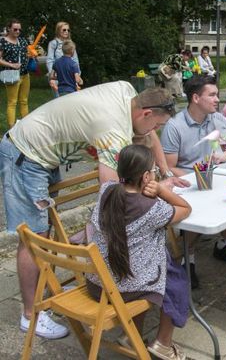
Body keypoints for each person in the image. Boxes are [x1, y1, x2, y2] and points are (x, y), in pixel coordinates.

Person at [0, 81, 186, 340]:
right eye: (155, 124)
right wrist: (155, 190)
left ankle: (48, 297)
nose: (155, 131)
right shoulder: (112, 129)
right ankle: (31, 315)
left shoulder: (127, 91)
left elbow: (149, 135)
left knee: (47, 229)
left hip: (43, 152)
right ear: (145, 113)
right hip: (25, 155)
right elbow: (109, 192)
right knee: (34, 235)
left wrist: (165, 173)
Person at [87, 144, 192, 360]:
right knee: (177, 281)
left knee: (148, 267)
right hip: (124, 289)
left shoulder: (105, 190)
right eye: (153, 171)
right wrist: (162, 190)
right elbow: (185, 209)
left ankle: (131, 335)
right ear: (146, 177)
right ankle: (163, 344)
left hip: (97, 283)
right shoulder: (150, 208)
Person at [160, 75, 226, 287]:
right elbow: (168, 168)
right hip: (189, 185)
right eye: (211, 95)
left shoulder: (217, 119)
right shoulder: (174, 127)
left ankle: (222, 244)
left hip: (217, 179)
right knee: (198, 209)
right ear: (195, 98)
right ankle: (187, 258)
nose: (217, 100)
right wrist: (196, 178)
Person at [0, 19, 30, 128]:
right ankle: (11, 130)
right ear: (9, 29)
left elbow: (26, 54)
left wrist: (30, 55)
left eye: (19, 29)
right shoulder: (3, 41)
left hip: (25, 74)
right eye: (15, 29)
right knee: (12, 102)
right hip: (12, 75)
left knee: (24, 101)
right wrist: (12, 65)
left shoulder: (22, 41)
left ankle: (25, 127)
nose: (18, 31)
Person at [46, 21, 80, 98]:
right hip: (58, 77)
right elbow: (50, 60)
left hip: (70, 78)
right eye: (64, 30)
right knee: (59, 100)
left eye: (68, 30)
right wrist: (52, 77)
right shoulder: (53, 43)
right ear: (58, 30)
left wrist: (78, 75)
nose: (66, 32)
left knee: (71, 100)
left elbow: (75, 60)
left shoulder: (70, 43)